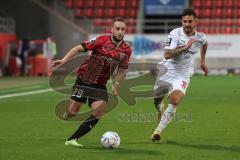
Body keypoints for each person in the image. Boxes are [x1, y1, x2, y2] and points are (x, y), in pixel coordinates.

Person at [51, 17, 132, 147]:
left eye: (123, 29)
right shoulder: (101, 40)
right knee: (72, 113)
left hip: (100, 84)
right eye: (117, 28)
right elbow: (78, 48)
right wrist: (64, 60)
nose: (120, 31)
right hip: (84, 79)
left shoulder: (126, 50)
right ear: (112, 29)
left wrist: (116, 84)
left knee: (100, 110)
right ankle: (68, 113)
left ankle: (72, 139)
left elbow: (122, 70)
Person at [151, 8, 208, 141]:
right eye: (185, 21)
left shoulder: (201, 37)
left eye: (190, 21)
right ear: (181, 22)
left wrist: (203, 62)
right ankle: (159, 109)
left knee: (175, 100)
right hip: (167, 70)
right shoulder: (175, 34)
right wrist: (185, 48)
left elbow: (205, 45)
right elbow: (167, 55)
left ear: (195, 22)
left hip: (183, 74)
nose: (187, 24)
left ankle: (157, 131)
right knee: (157, 99)